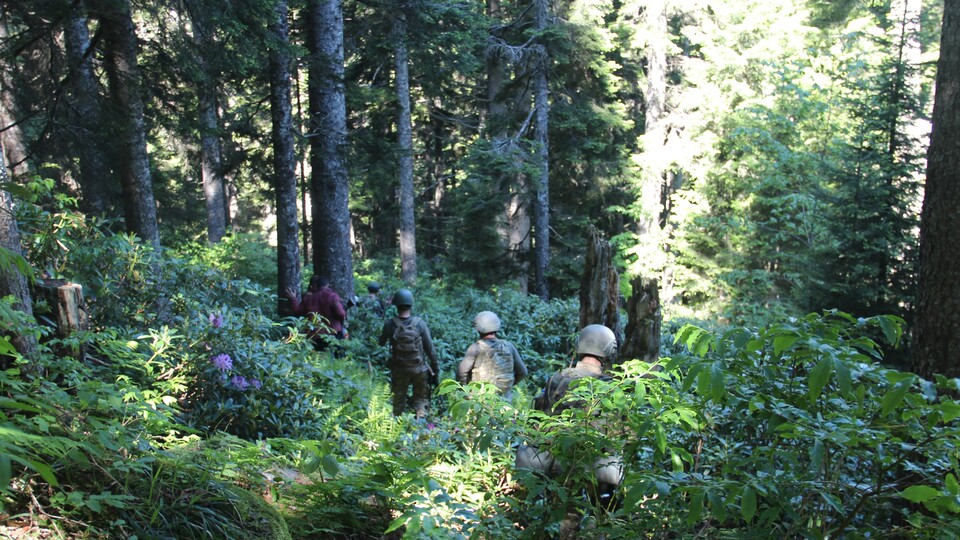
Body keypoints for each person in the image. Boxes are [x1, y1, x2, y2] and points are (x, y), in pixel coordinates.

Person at [516, 324, 623, 537]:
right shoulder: (610, 386)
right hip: (591, 465)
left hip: (557, 461)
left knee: (566, 514)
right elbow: (617, 435)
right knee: (602, 510)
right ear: (608, 350)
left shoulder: (557, 378)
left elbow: (539, 421)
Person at [378, 288, 440, 418]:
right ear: (411, 305)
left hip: (399, 369)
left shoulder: (390, 324)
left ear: (396, 306)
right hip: (419, 370)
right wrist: (435, 368)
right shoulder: (420, 323)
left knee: (398, 401)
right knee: (421, 400)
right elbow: (430, 349)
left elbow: (381, 343)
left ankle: (396, 427)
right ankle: (420, 426)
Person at [457, 311, 527, 400]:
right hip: (505, 401)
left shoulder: (476, 348)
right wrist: (508, 385)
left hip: (480, 401)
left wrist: (465, 391)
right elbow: (523, 372)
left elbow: (461, 373)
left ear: (478, 329)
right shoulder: (509, 346)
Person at [284, 276, 346, 351]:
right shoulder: (333, 296)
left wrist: (293, 298)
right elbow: (341, 314)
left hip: (315, 335)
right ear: (328, 285)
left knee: (319, 358)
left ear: (315, 286)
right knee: (337, 356)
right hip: (333, 333)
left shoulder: (308, 299)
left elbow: (297, 311)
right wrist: (342, 322)